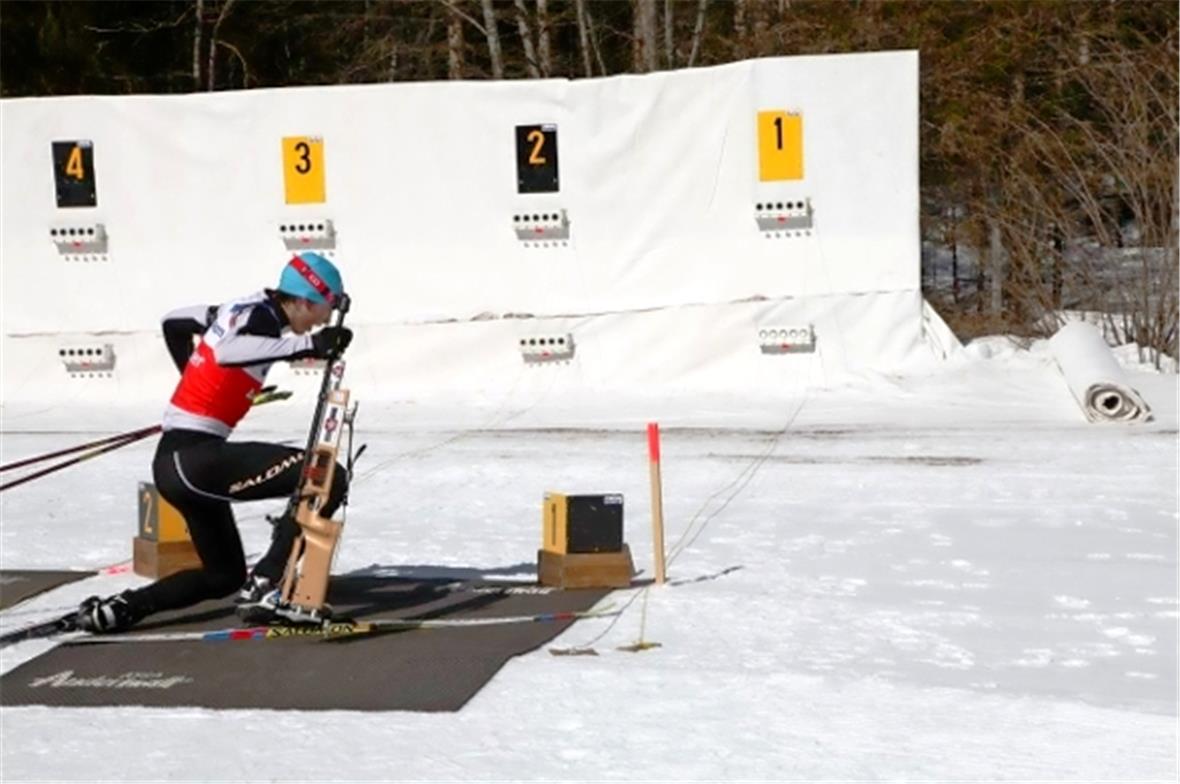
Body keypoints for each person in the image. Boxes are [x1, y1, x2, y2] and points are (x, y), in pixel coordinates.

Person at [74, 252, 353, 633]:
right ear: (306, 299)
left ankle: (125, 607)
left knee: (223, 576)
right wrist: (308, 345)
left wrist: (193, 381)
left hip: (177, 464)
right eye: (327, 307)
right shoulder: (261, 321)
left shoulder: (237, 309)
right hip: (196, 460)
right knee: (327, 476)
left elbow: (174, 322)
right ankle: (265, 584)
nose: (325, 318)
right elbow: (225, 352)